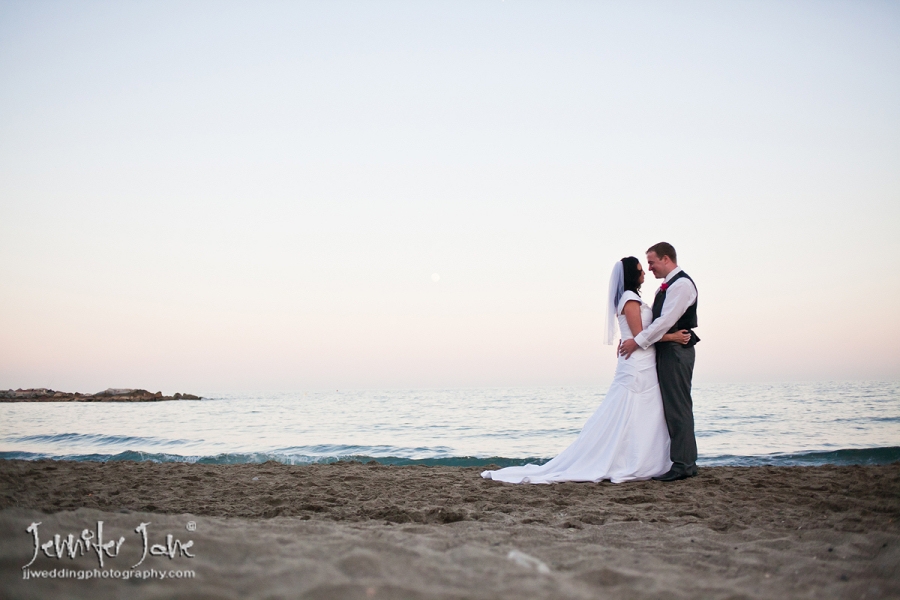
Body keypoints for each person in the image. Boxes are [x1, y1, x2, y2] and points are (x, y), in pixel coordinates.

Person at [481, 257, 691, 484]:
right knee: (630, 410)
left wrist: (631, 340)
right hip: (638, 363)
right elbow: (640, 335)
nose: (645, 273)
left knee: (642, 412)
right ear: (632, 274)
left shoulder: (631, 298)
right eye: (641, 269)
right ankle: (630, 461)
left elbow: (636, 335)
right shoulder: (630, 299)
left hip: (642, 360)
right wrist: (672, 337)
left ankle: (643, 459)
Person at [619, 242, 699, 482]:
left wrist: (636, 341)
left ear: (666, 259)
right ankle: (681, 461)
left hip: (677, 350)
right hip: (665, 349)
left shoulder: (682, 285)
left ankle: (684, 464)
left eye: (652, 262)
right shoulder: (666, 287)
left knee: (678, 406)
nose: (650, 268)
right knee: (671, 407)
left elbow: (665, 321)